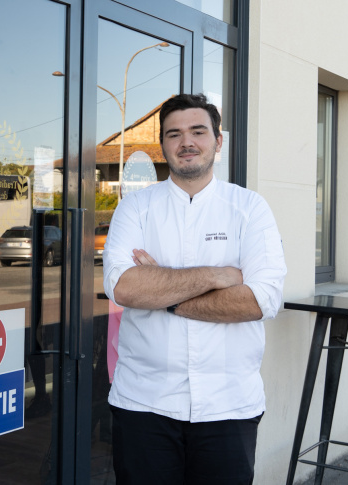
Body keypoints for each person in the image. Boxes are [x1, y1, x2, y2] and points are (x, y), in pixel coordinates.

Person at [102, 93, 287, 485]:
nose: (187, 142)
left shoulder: (250, 209)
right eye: (174, 134)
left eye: (198, 131)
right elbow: (125, 288)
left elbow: (260, 299)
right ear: (164, 145)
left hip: (229, 405)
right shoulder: (135, 209)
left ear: (218, 141)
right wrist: (218, 275)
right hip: (143, 403)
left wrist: (165, 297)